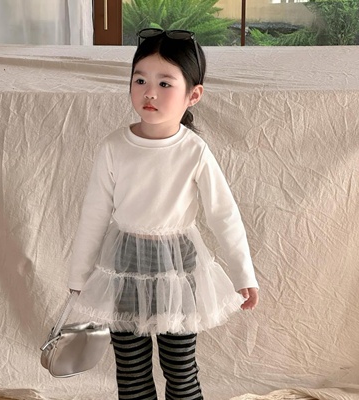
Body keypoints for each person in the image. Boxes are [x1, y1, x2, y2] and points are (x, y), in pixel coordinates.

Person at [68, 28, 259, 400]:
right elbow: (94, 214)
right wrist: (79, 274)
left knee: (180, 368)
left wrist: (243, 273)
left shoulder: (194, 151)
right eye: (140, 80)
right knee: (131, 370)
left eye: (165, 83)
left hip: (179, 271)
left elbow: (223, 214)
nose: (149, 92)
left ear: (193, 94)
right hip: (124, 267)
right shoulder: (113, 147)